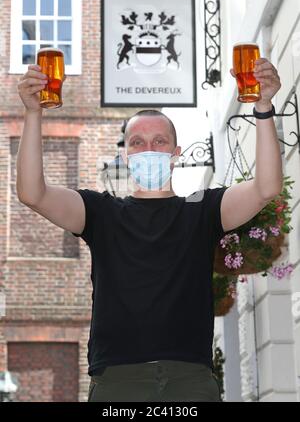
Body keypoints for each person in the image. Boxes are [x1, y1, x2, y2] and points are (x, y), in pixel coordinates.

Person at [17, 58, 282, 402]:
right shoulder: (101, 212)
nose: (148, 149)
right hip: (118, 381)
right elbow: (32, 193)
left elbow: (266, 187)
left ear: (175, 154)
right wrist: (33, 114)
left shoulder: (203, 210)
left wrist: (263, 108)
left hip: (190, 380)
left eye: (159, 141)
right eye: (137, 143)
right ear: (126, 156)